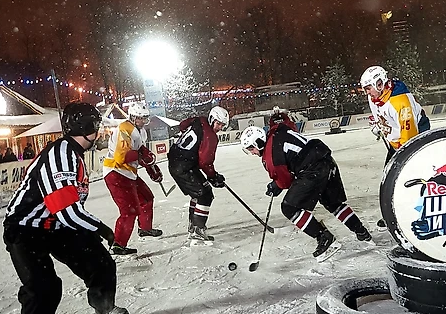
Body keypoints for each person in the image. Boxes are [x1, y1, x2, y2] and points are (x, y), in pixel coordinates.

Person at [2, 102, 127, 314]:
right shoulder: (61, 154)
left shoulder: (76, 154)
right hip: (26, 229)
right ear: (86, 128)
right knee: (43, 287)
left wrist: (93, 235)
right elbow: (67, 211)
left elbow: (66, 214)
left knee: (100, 261)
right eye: (95, 126)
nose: (99, 132)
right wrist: (101, 228)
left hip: (56, 226)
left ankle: (102, 305)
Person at [240, 124, 372, 261]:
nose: (252, 152)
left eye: (252, 148)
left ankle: (325, 238)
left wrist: (277, 183)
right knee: (332, 202)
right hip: (325, 159)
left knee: (289, 207)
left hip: (312, 169)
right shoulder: (276, 131)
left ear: (259, 143)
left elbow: (285, 182)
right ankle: (362, 232)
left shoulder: (271, 157)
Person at [361, 65, 428, 227]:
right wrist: (380, 126)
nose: (367, 93)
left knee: (408, 179)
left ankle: (414, 213)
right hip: (397, 142)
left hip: (414, 142)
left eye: (368, 88)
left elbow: (409, 136)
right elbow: (381, 113)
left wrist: (402, 157)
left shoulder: (400, 102)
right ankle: (394, 212)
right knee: (390, 179)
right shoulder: (375, 96)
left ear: (379, 84)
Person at [102, 102, 163, 255]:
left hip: (128, 173)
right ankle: (118, 244)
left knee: (147, 198)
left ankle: (145, 228)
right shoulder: (124, 129)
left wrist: (152, 169)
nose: (143, 121)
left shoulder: (139, 131)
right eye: (140, 118)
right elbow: (122, 157)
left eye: (145, 118)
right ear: (133, 117)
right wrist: (143, 156)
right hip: (115, 172)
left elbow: (141, 153)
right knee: (129, 210)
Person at [168, 106, 229, 243]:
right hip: (184, 166)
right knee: (205, 194)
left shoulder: (199, 120)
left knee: (198, 192)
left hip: (177, 161)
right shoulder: (211, 137)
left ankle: (193, 226)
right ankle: (197, 229)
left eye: (222, 125)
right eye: (218, 123)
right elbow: (205, 162)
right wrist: (213, 177)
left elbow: (182, 125)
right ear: (212, 119)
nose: (219, 127)